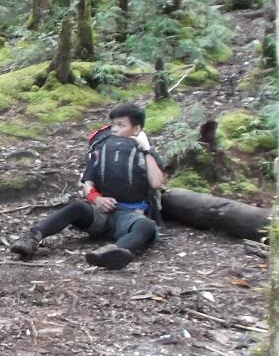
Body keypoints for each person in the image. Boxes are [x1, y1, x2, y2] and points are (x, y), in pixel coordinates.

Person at [9, 103, 166, 270]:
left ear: (136, 129)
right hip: (101, 213)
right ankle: (32, 237)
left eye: (121, 125)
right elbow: (87, 183)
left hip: (130, 216)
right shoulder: (101, 150)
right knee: (77, 207)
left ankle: (114, 252)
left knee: (147, 226)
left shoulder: (145, 154)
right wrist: (97, 199)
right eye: (114, 124)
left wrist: (146, 150)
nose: (115, 129)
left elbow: (156, 183)